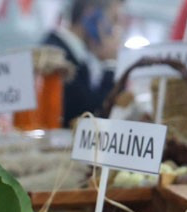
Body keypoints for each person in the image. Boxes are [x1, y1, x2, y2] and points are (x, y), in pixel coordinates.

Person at [42, 0, 127, 128]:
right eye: (113, 20)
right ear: (91, 14)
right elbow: (87, 116)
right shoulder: (54, 56)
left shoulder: (78, 57)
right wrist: (111, 63)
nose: (114, 31)